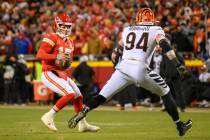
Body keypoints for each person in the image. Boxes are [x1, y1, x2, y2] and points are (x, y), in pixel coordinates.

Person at [68, 8, 192, 136]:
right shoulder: (156, 30)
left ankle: (84, 110)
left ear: (138, 20)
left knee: (101, 96)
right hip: (140, 68)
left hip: (123, 68)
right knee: (165, 91)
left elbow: (115, 54)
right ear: (151, 20)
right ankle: (179, 125)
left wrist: (117, 67)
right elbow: (165, 46)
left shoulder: (128, 30)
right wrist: (178, 64)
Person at [36, 13, 99, 132]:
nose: (65, 29)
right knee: (69, 94)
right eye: (62, 26)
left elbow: (66, 62)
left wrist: (66, 63)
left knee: (78, 96)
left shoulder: (70, 42)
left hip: (60, 73)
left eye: (67, 26)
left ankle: (83, 124)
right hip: (49, 72)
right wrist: (56, 56)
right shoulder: (51, 37)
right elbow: (39, 55)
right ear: (56, 25)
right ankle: (49, 116)